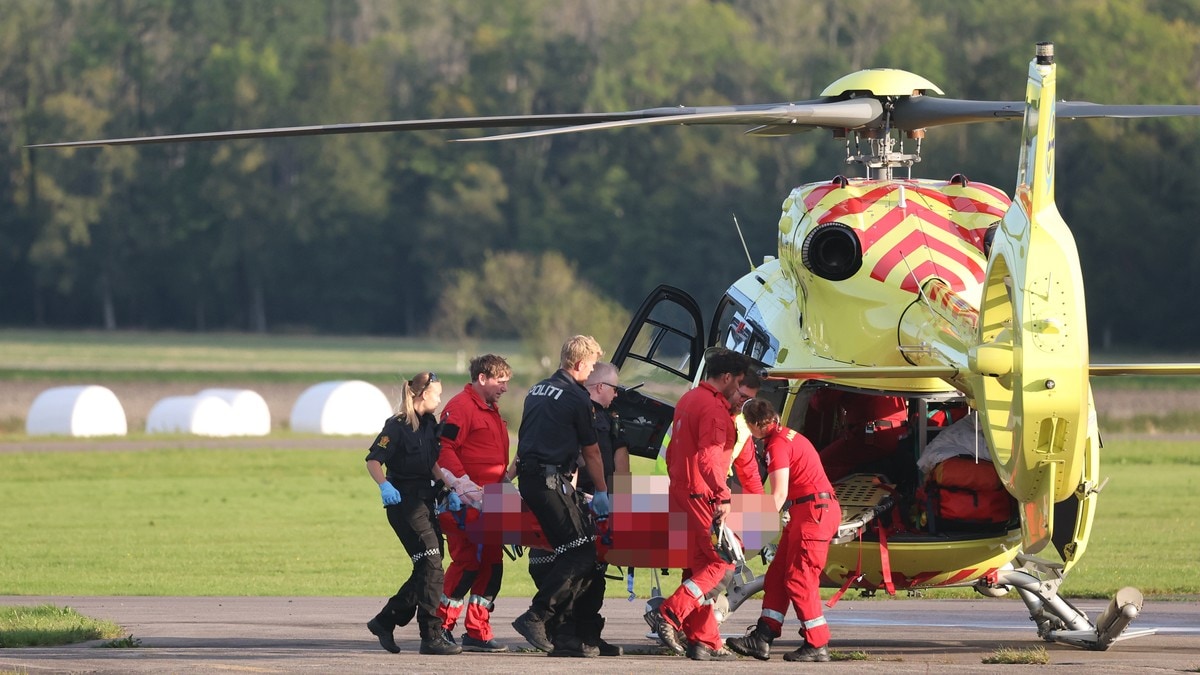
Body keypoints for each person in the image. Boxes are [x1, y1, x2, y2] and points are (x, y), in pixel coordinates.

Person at [645, 347, 750, 662]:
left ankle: (703, 640)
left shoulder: (688, 399)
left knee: (696, 567)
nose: (741, 390)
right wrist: (723, 495)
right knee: (722, 563)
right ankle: (670, 613)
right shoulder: (713, 409)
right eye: (739, 382)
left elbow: (675, 453)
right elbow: (709, 458)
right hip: (701, 494)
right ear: (727, 378)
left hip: (680, 492)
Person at [511, 335, 611, 658]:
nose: (594, 371)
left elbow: (530, 436)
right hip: (549, 481)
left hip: (534, 478)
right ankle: (537, 616)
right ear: (580, 364)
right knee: (581, 553)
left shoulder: (536, 390)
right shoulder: (576, 398)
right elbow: (592, 452)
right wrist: (603, 493)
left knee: (579, 554)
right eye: (592, 365)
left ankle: (566, 634)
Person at [725, 398, 840, 662]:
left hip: (812, 514)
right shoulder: (787, 436)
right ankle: (763, 636)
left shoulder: (776, 446)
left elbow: (778, 496)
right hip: (809, 511)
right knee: (777, 575)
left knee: (799, 579)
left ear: (754, 425)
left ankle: (817, 643)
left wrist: (750, 527)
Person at [364, 371, 462, 656]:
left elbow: (431, 463)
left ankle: (385, 620)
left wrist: (447, 487)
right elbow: (373, 461)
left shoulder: (429, 425)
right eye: (437, 394)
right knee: (432, 564)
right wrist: (384, 486)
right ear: (421, 394)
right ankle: (431, 636)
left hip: (425, 501)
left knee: (429, 567)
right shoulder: (396, 426)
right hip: (404, 504)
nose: (440, 399)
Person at [435, 354, 513, 652]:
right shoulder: (460, 408)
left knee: (492, 565)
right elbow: (443, 448)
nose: (504, 389)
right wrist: (462, 484)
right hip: (466, 502)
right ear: (482, 378)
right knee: (467, 562)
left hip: (492, 501)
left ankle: (478, 630)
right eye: (501, 382)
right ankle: (440, 626)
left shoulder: (490, 410)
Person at [728, 369, 764, 495]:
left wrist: (764, 510)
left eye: (749, 400)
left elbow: (749, 472)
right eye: (742, 396)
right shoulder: (711, 410)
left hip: (704, 487)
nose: (744, 403)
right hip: (672, 481)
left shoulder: (742, 424)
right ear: (731, 388)